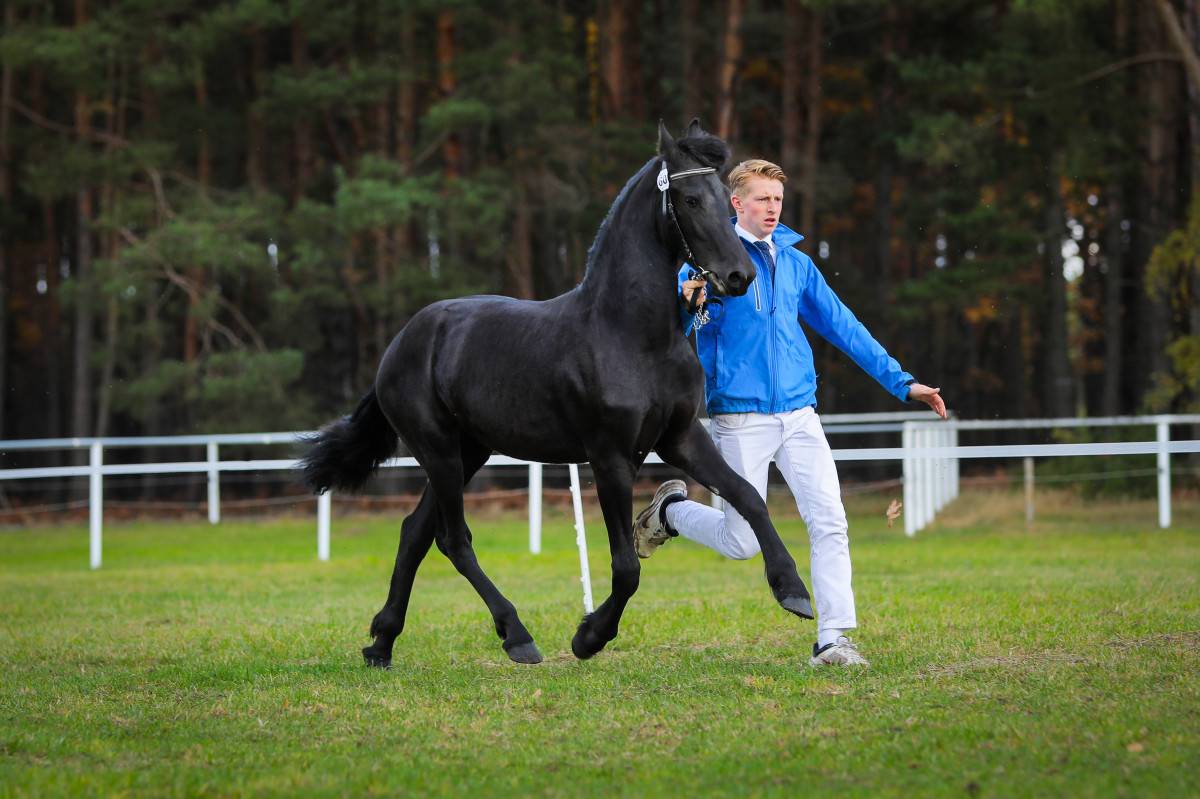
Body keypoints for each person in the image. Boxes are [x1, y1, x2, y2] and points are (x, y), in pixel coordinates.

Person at [634, 159, 947, 667]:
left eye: (778, 199)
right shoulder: (709, 261)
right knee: (739, 542)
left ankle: (833, 638)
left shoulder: (798, 264)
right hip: (740, 417)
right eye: (761, 199)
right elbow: (667, 322)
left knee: (830, 521)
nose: (772, 208)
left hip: (801, 414)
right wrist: (684, 300)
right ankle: (670, 513)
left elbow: (844, 327)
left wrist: (902, 382)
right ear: (736, 204)